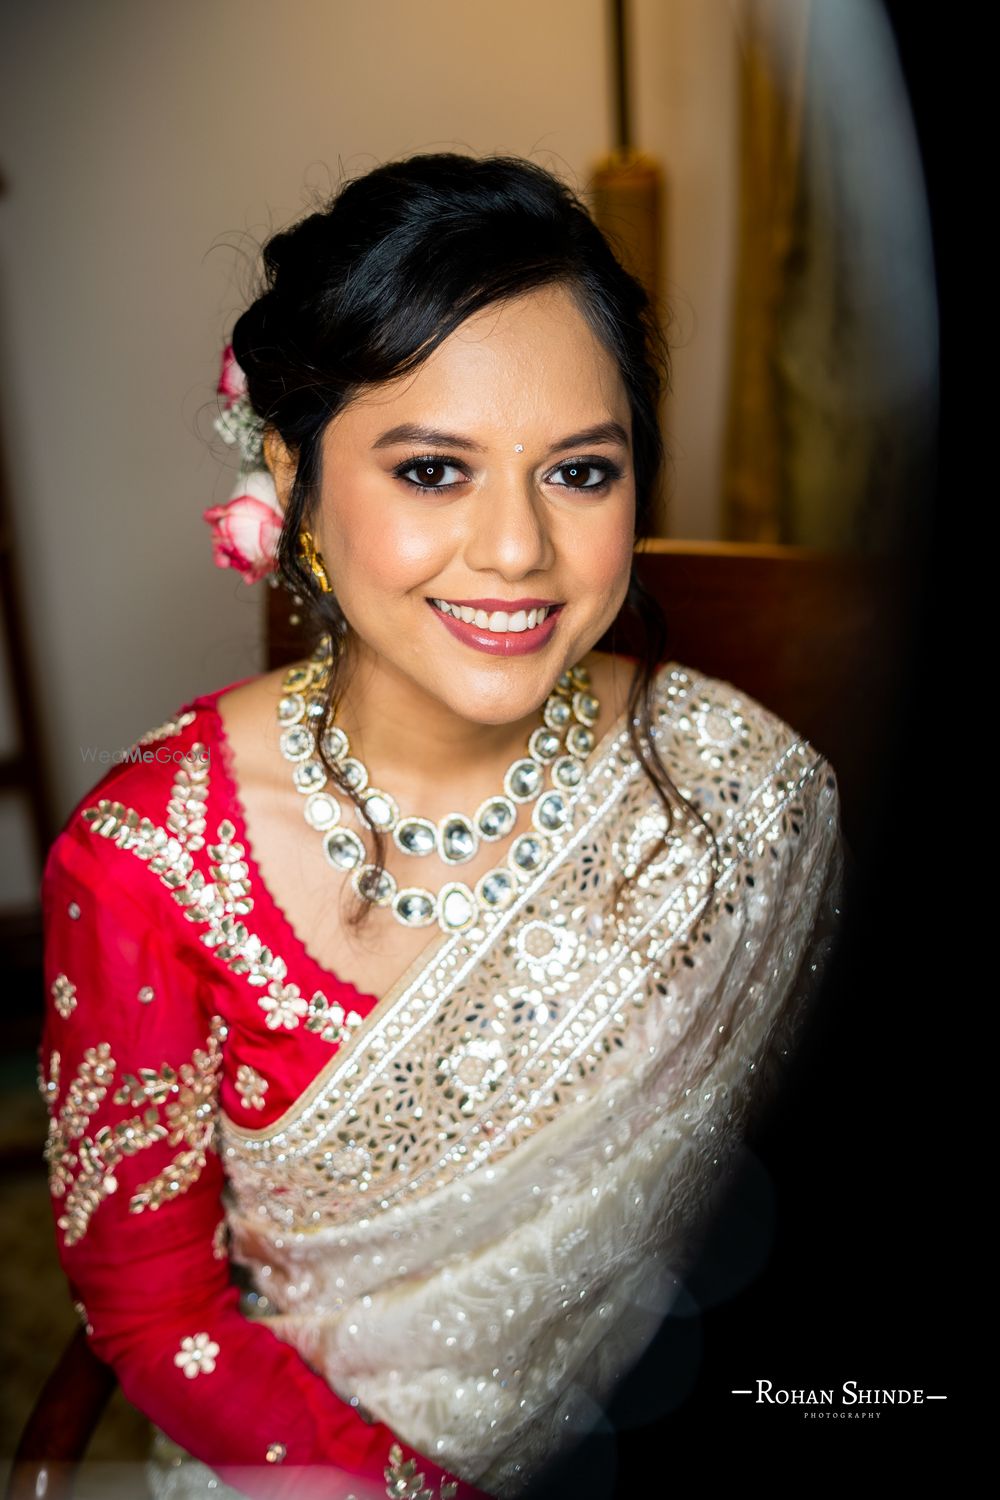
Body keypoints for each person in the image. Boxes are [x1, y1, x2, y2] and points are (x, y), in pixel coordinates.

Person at [38, 152, 846, 1500]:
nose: (519, 550)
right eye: (431, 470)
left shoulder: (738, 785)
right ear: (292, 474)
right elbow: (157, 1316)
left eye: (581, 473)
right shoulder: (148, 867)